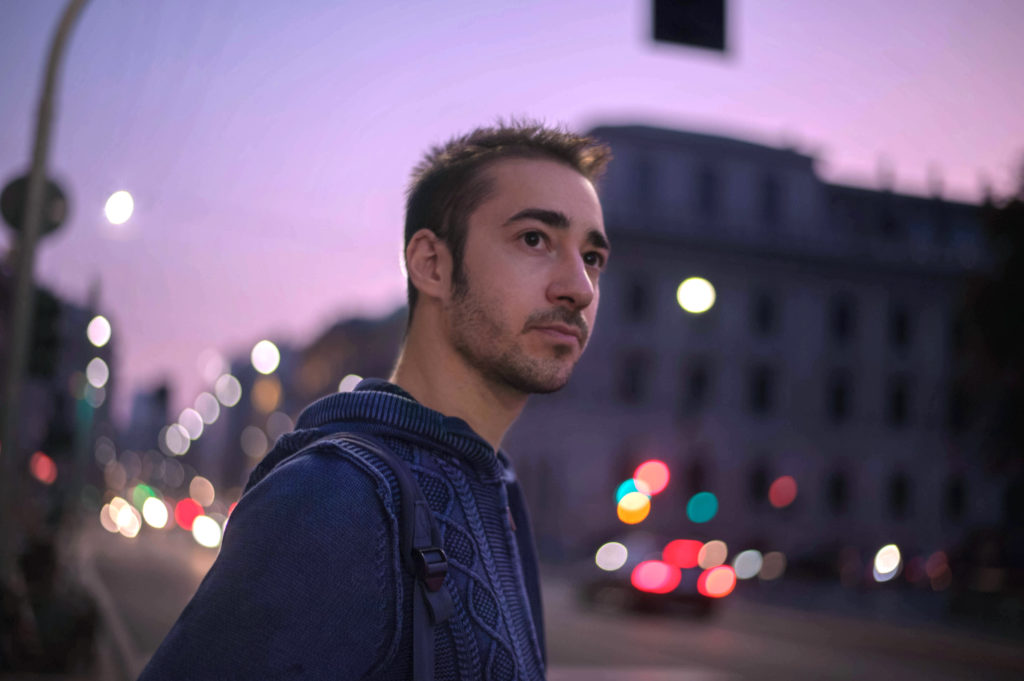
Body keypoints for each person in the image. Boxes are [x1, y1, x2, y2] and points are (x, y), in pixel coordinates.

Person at [138, 122, 612, 680]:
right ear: (432, 264)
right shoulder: (334, 496)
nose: (579, 288)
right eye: (534, 239)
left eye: (593, 258)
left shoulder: (498, 493)